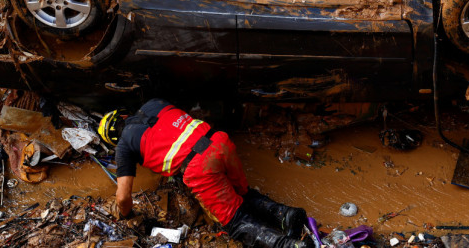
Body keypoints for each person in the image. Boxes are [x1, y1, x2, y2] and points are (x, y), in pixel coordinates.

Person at [98, 98, 312, 248]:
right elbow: (169, 133)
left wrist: (128, 216)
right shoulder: (154, 103)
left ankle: (289, 245)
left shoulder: (124, 145)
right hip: (219, 142)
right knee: (241, 194)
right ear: (124, 115)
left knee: (234, 222)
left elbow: (123, 197)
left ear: (113, 140)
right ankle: (287, 214)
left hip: (200, 166)